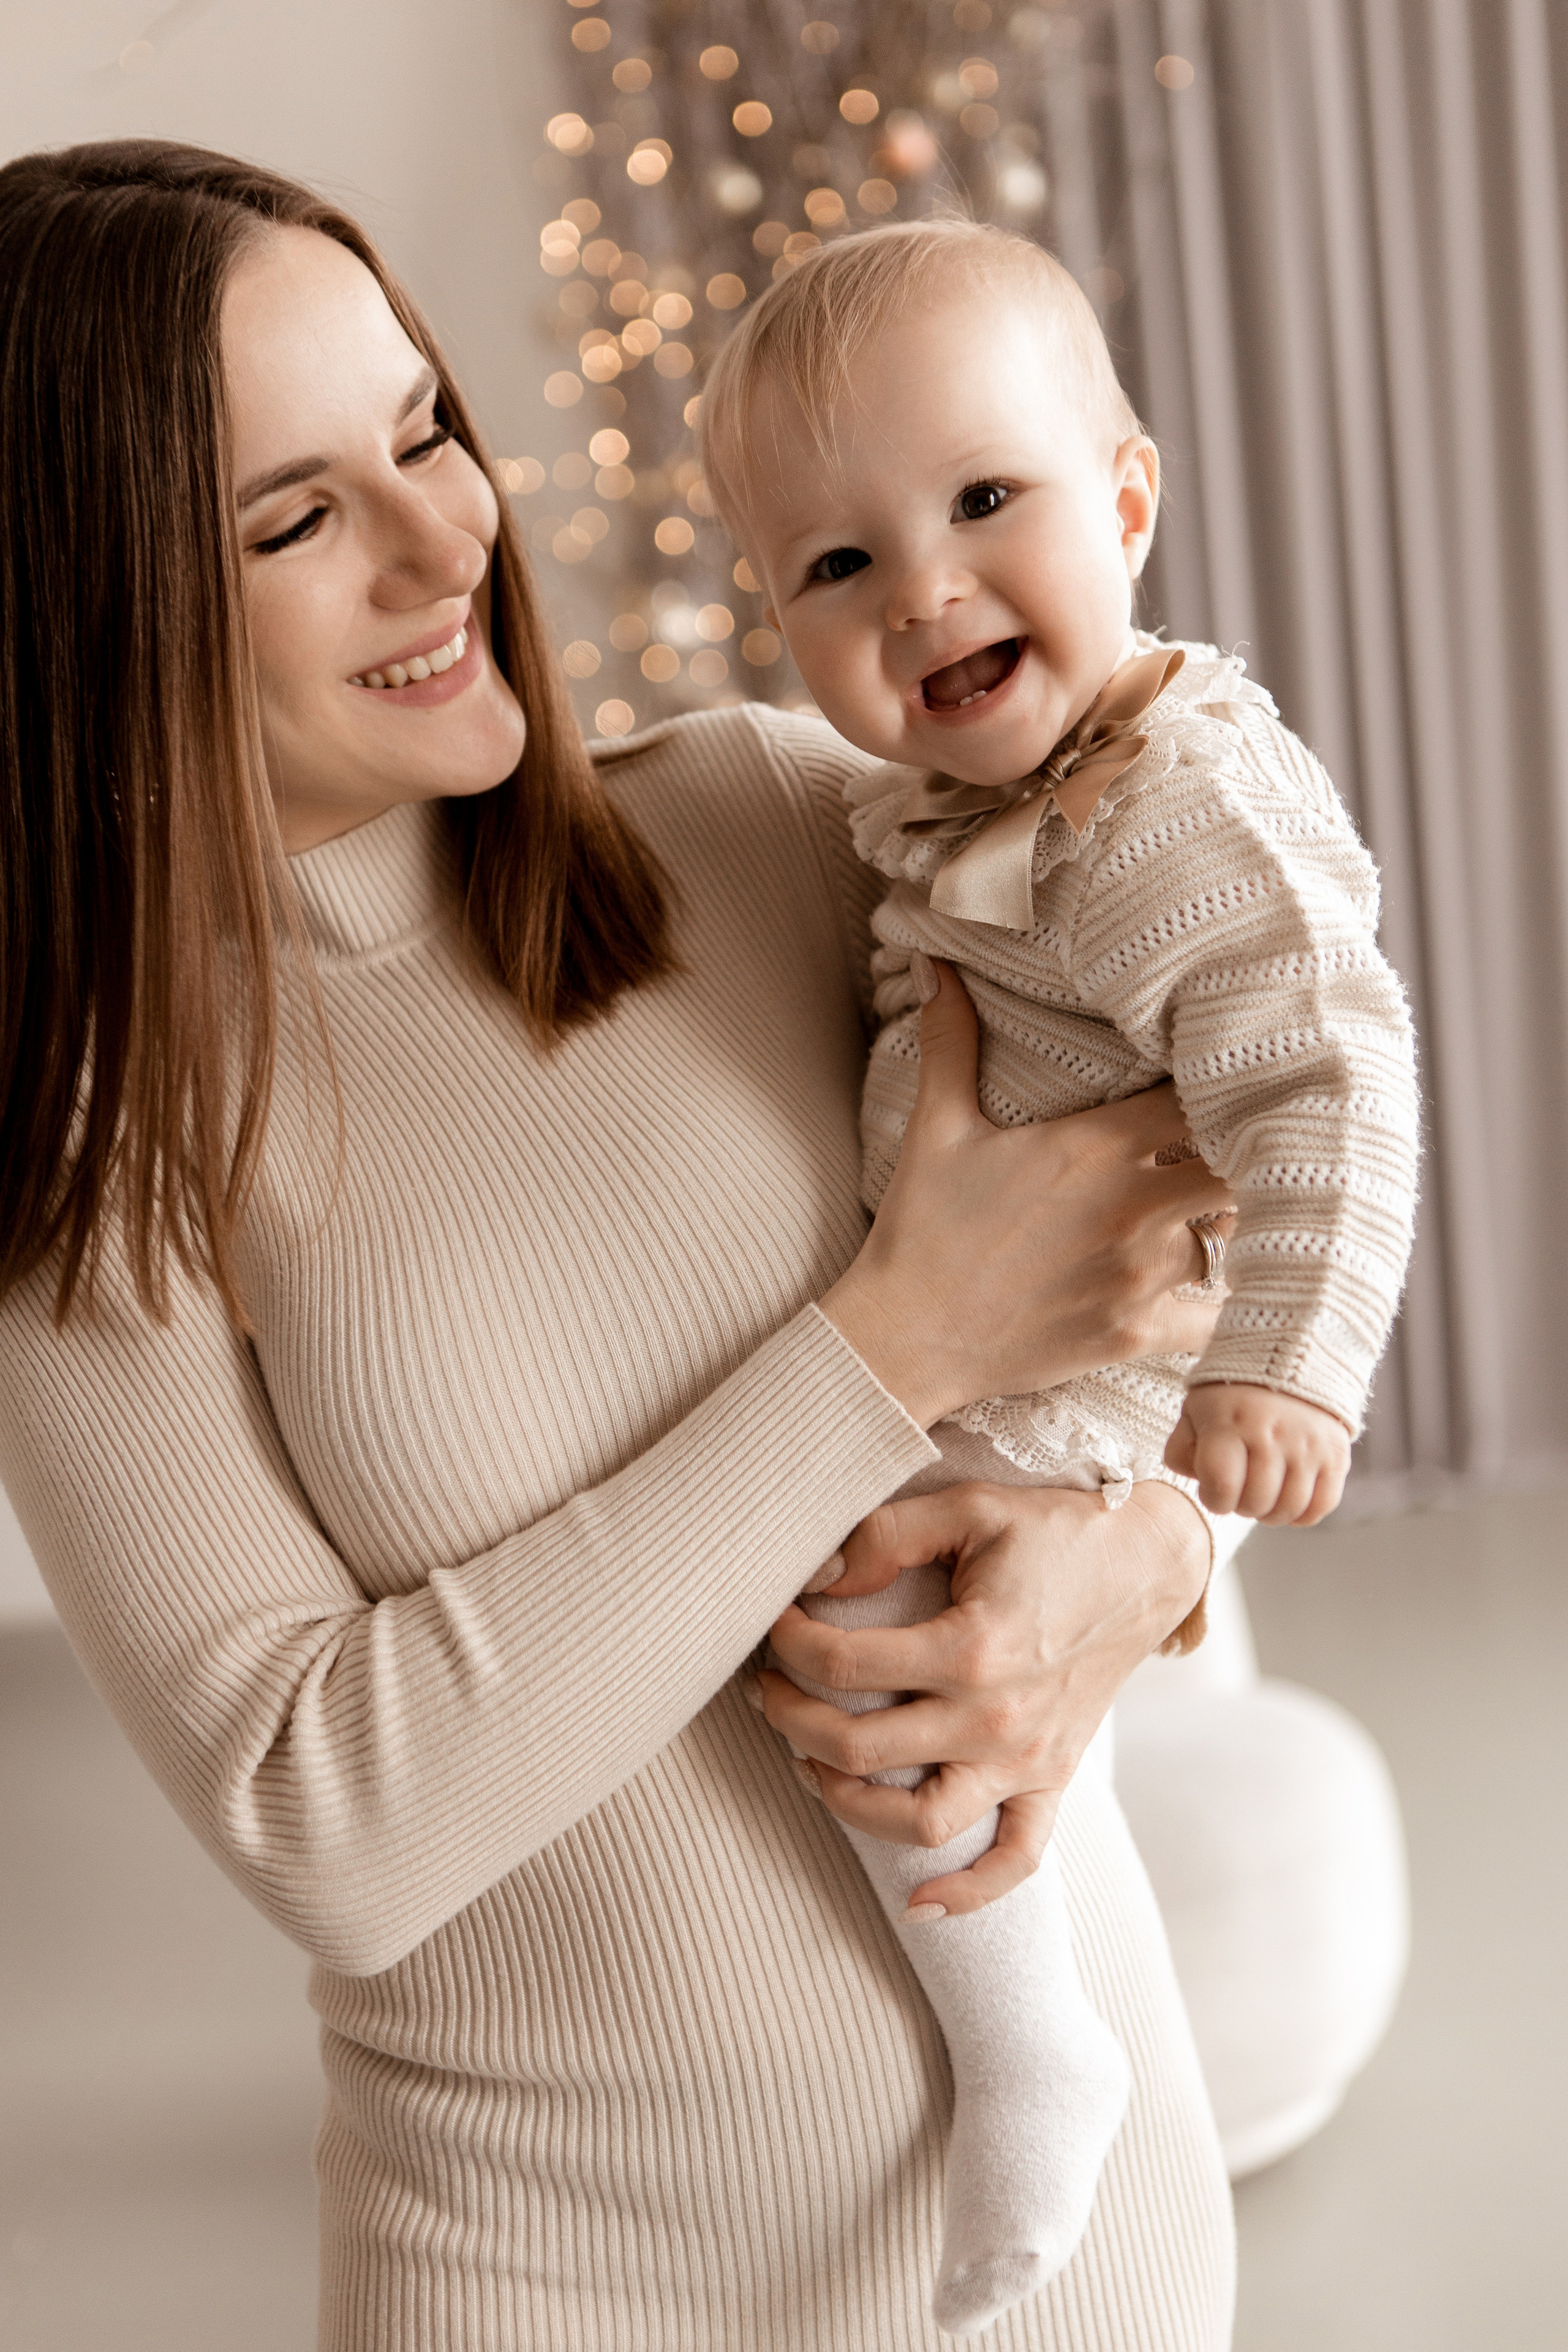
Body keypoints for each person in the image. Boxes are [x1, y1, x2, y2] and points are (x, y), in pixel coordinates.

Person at [0, 144, 1242, 2352]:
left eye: (425, 434)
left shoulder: (780, 815)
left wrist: (1151, 1561)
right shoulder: (106, 1155)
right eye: (294, 522)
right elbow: (329, 1827)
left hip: (1095, 2255)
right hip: (555, 2289)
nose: (443, 539)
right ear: (78, 621)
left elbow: (1175, 1269)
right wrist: (888, 1339)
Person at [698, 218, 1419, 2335]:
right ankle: (1028, 2014)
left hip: (1075, 1369)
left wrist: (1293, 1364)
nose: (918, 588)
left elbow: (1333, 1067)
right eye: (833, 567)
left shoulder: (1169, 806)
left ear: (1128, 499)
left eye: (984, 503)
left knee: (887, 1621)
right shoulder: (933, 806)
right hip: (970, 1324)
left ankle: (1033, 2045)